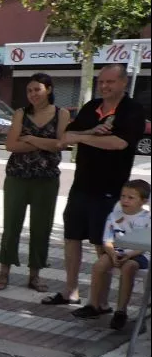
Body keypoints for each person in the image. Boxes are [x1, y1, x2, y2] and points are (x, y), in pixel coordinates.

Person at [42, 64, 146, 307]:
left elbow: (119, 143)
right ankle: (71, 291)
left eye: (110, 82)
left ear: (123, 82)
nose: (104, 86)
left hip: (111, 190)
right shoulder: (91, 108)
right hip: (81, 186)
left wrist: (85, 138)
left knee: (103, 245)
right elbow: (65, 138)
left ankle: (100, 302)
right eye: (101, 82)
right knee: (72, 238)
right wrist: (90, 132)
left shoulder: (132, 110)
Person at [0, 73, 69, 291]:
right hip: (18, 177)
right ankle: (4, 271)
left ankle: (34, 275)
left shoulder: (61, 114)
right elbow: (11, 145)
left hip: (46, 180)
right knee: (11, 225)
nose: (33, 94)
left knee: (41, 227)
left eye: (37, 89)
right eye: (29, 90)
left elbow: (60, 145)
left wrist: (31, 139)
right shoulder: (20, 113)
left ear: (49, 89)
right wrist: (46, 143)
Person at [76, 179, 150, 329]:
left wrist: (129, 255)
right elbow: (107, 240)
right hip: (118, 252)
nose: (125, 200)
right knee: (99, 265)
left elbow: (145, 244)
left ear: (143, 201)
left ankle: (121, 311)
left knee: (128, 268)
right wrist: (112, 254)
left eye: (131, 197)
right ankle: (94, 305)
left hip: (140, 253)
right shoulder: (113, 216)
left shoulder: (147, 218)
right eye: (123, 196)